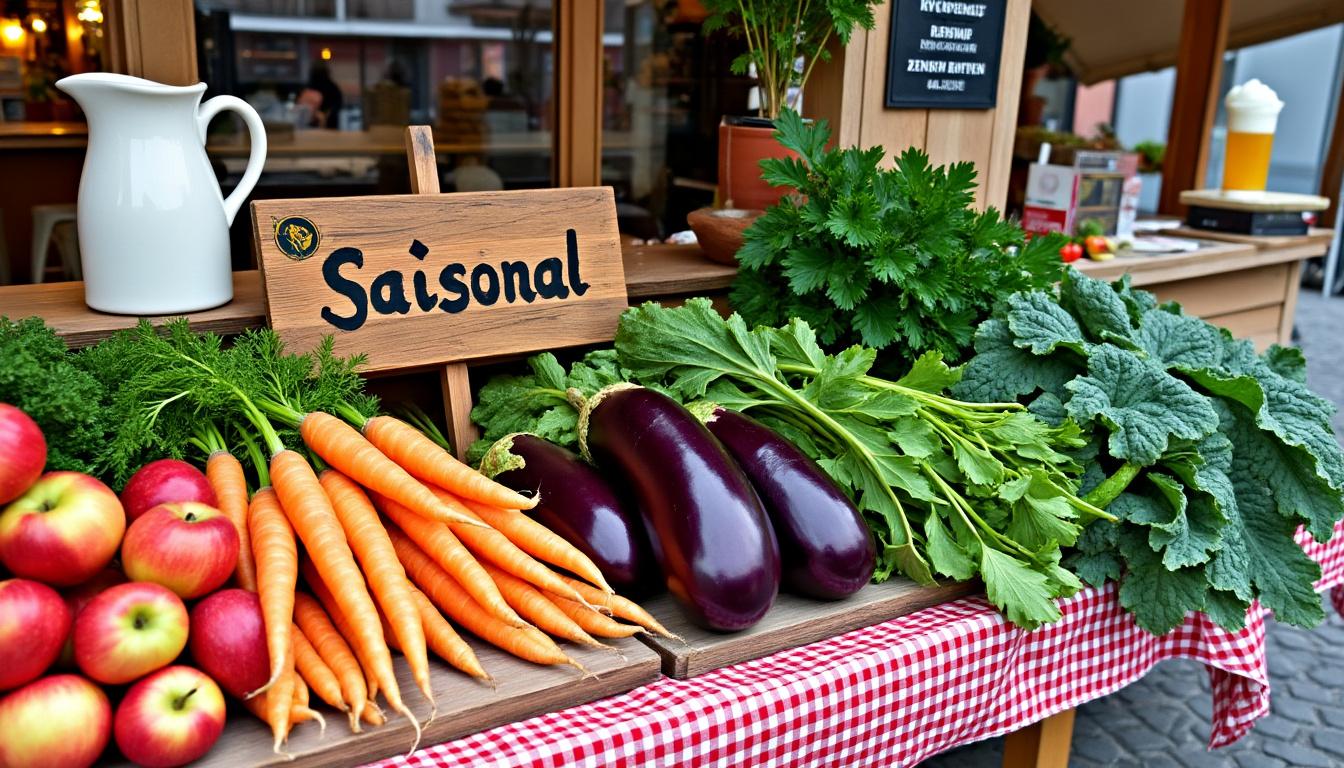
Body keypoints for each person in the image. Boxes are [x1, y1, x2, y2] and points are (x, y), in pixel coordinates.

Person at [298, 62, 343, 129]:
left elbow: (338, 103)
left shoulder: (331, 87)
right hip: (314, 121)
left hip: (328, 121)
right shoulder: (331, 86)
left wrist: (327, 114)